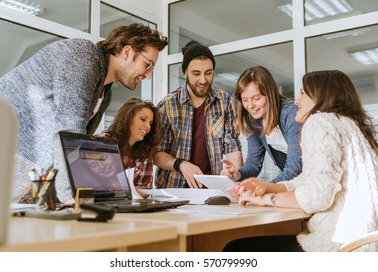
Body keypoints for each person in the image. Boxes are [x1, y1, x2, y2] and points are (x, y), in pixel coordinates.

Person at [0, 23, 168, 203]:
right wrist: (72, 198)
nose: (148, 75)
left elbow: (71, 148)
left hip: (22, 168)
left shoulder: (105, 92)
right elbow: (70, 133)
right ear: (127, 52)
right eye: (148, 65)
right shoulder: (83, 57)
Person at [224, 70, 378, 252]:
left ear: (321, 97)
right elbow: (310, 178)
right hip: (362, 243)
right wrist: (268, 187)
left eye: (303, 93)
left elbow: (317, 195)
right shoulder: (350, 125)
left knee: (236, 249)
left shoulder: (319, 122)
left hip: (336, 246)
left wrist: (267, 198)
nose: (296, 100)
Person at [154, 40, 243, 189]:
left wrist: (236, 176)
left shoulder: (225, 101)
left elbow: (232, 145)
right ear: (185, 73)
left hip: (212, 189)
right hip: (174, 189)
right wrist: (181, 164)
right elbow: (157, 154)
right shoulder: (167, 105)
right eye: (196, 73)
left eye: (208, 73)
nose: (203, 80)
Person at [221, 66, 302, 183]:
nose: (250, 106)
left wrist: (266, 187)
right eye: (245, 100)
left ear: (269, 94)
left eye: (256, 98)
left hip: (316, 178)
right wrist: (238, 174)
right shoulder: (254, 120)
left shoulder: (291, 113)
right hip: (297, 182)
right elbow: (253, 164)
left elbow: (295, 167)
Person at [99, 97, 161, 197]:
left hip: (129, 210)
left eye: (150, 123)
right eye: (143, 119)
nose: (148, 127)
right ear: (128, 118)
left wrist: (115, 191)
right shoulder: (102, 143)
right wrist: (130, 190)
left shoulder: (145, 154)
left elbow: (145, 191)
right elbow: (92, 187)